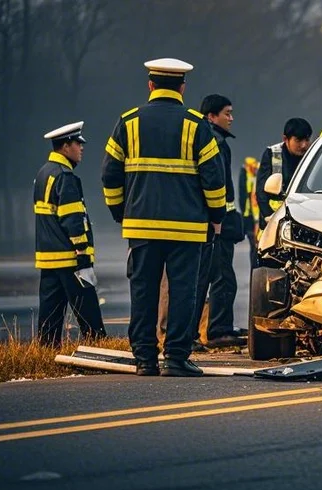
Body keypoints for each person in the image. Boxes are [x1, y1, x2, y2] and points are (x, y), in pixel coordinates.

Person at [101, 58, 226, 377]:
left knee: (143, 290)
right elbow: (213, 178)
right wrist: (216, 217)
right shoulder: (197, 124)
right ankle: (175, 357)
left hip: (141, 225)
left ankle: (144, 359)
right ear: (183, 87)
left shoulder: (127, 122)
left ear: (150, 85)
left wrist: (120, 211)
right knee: (184, 291)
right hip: (186, 230)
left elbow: (109, 174)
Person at [35, 121, 106, 348]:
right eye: (77, 143)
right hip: (70, 257)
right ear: (65, 147)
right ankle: (100, 348)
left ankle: (46, 352)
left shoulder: (44, 173)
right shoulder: (65, 176)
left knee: (50, 312)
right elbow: (73, 219)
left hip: (48, 258)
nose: (81, 148)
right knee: (88, 308)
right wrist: (82, 251)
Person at [193, 94, 245, 348]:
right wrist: (220, 221)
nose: (231, 118)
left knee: (205, 277)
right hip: (217, 225)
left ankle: (199, 331)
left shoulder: (208, 138)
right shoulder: (215, 142)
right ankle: (218, 330)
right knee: (222, 278)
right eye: (227, 113)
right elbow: (217, 185)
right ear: (212, 116)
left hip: (214, 222)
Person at [255, 118, 313, 232]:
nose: (303, 145)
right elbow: (261, 192)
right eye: (298, 140)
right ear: (285, 139)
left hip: (304, 222)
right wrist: (269, 218)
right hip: (272, 221)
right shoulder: (272, 154)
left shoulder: (312, 155)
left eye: (307, 140)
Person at [239, 156, 260, 268]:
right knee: (253, 246)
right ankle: (254, 268)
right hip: (249, 216)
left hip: (255, 216)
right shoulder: (245, 174)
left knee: (255, 246)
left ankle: (255, 268)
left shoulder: (256, 174)